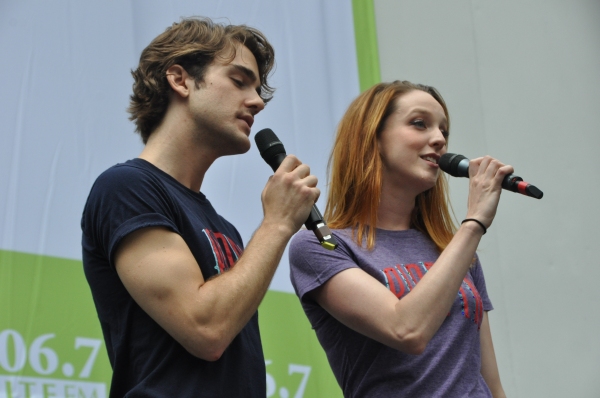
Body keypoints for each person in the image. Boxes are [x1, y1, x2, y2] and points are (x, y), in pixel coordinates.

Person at [81, 17, 319, 397]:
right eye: (239, 81)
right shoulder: (126, 188)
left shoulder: (225, 228)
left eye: (258, 89)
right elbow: (206, 330)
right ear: (180, 80)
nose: (257, 102)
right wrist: (276, 225)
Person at [289, 81, 509, 397]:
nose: (439, 140)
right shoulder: (321, 245)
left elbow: (491, 383)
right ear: (373, 138)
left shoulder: (455, 251)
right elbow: (407, 330)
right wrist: (473, 223)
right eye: (419, 124)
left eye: (444, 131)